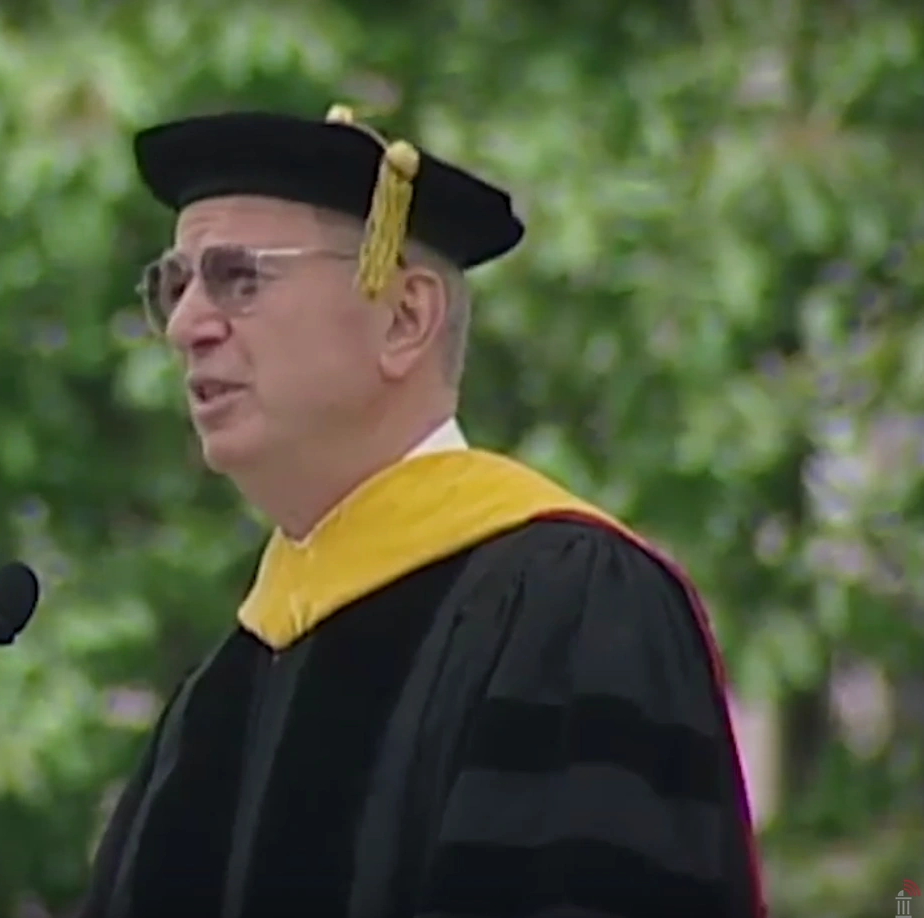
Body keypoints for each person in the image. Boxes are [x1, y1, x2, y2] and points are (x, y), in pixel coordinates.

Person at [77, 105, 765, 918]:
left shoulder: (570, 605)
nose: (188, 324)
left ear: (405, 318)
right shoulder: (215, 698)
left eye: (241, 278)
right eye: (176, 283)